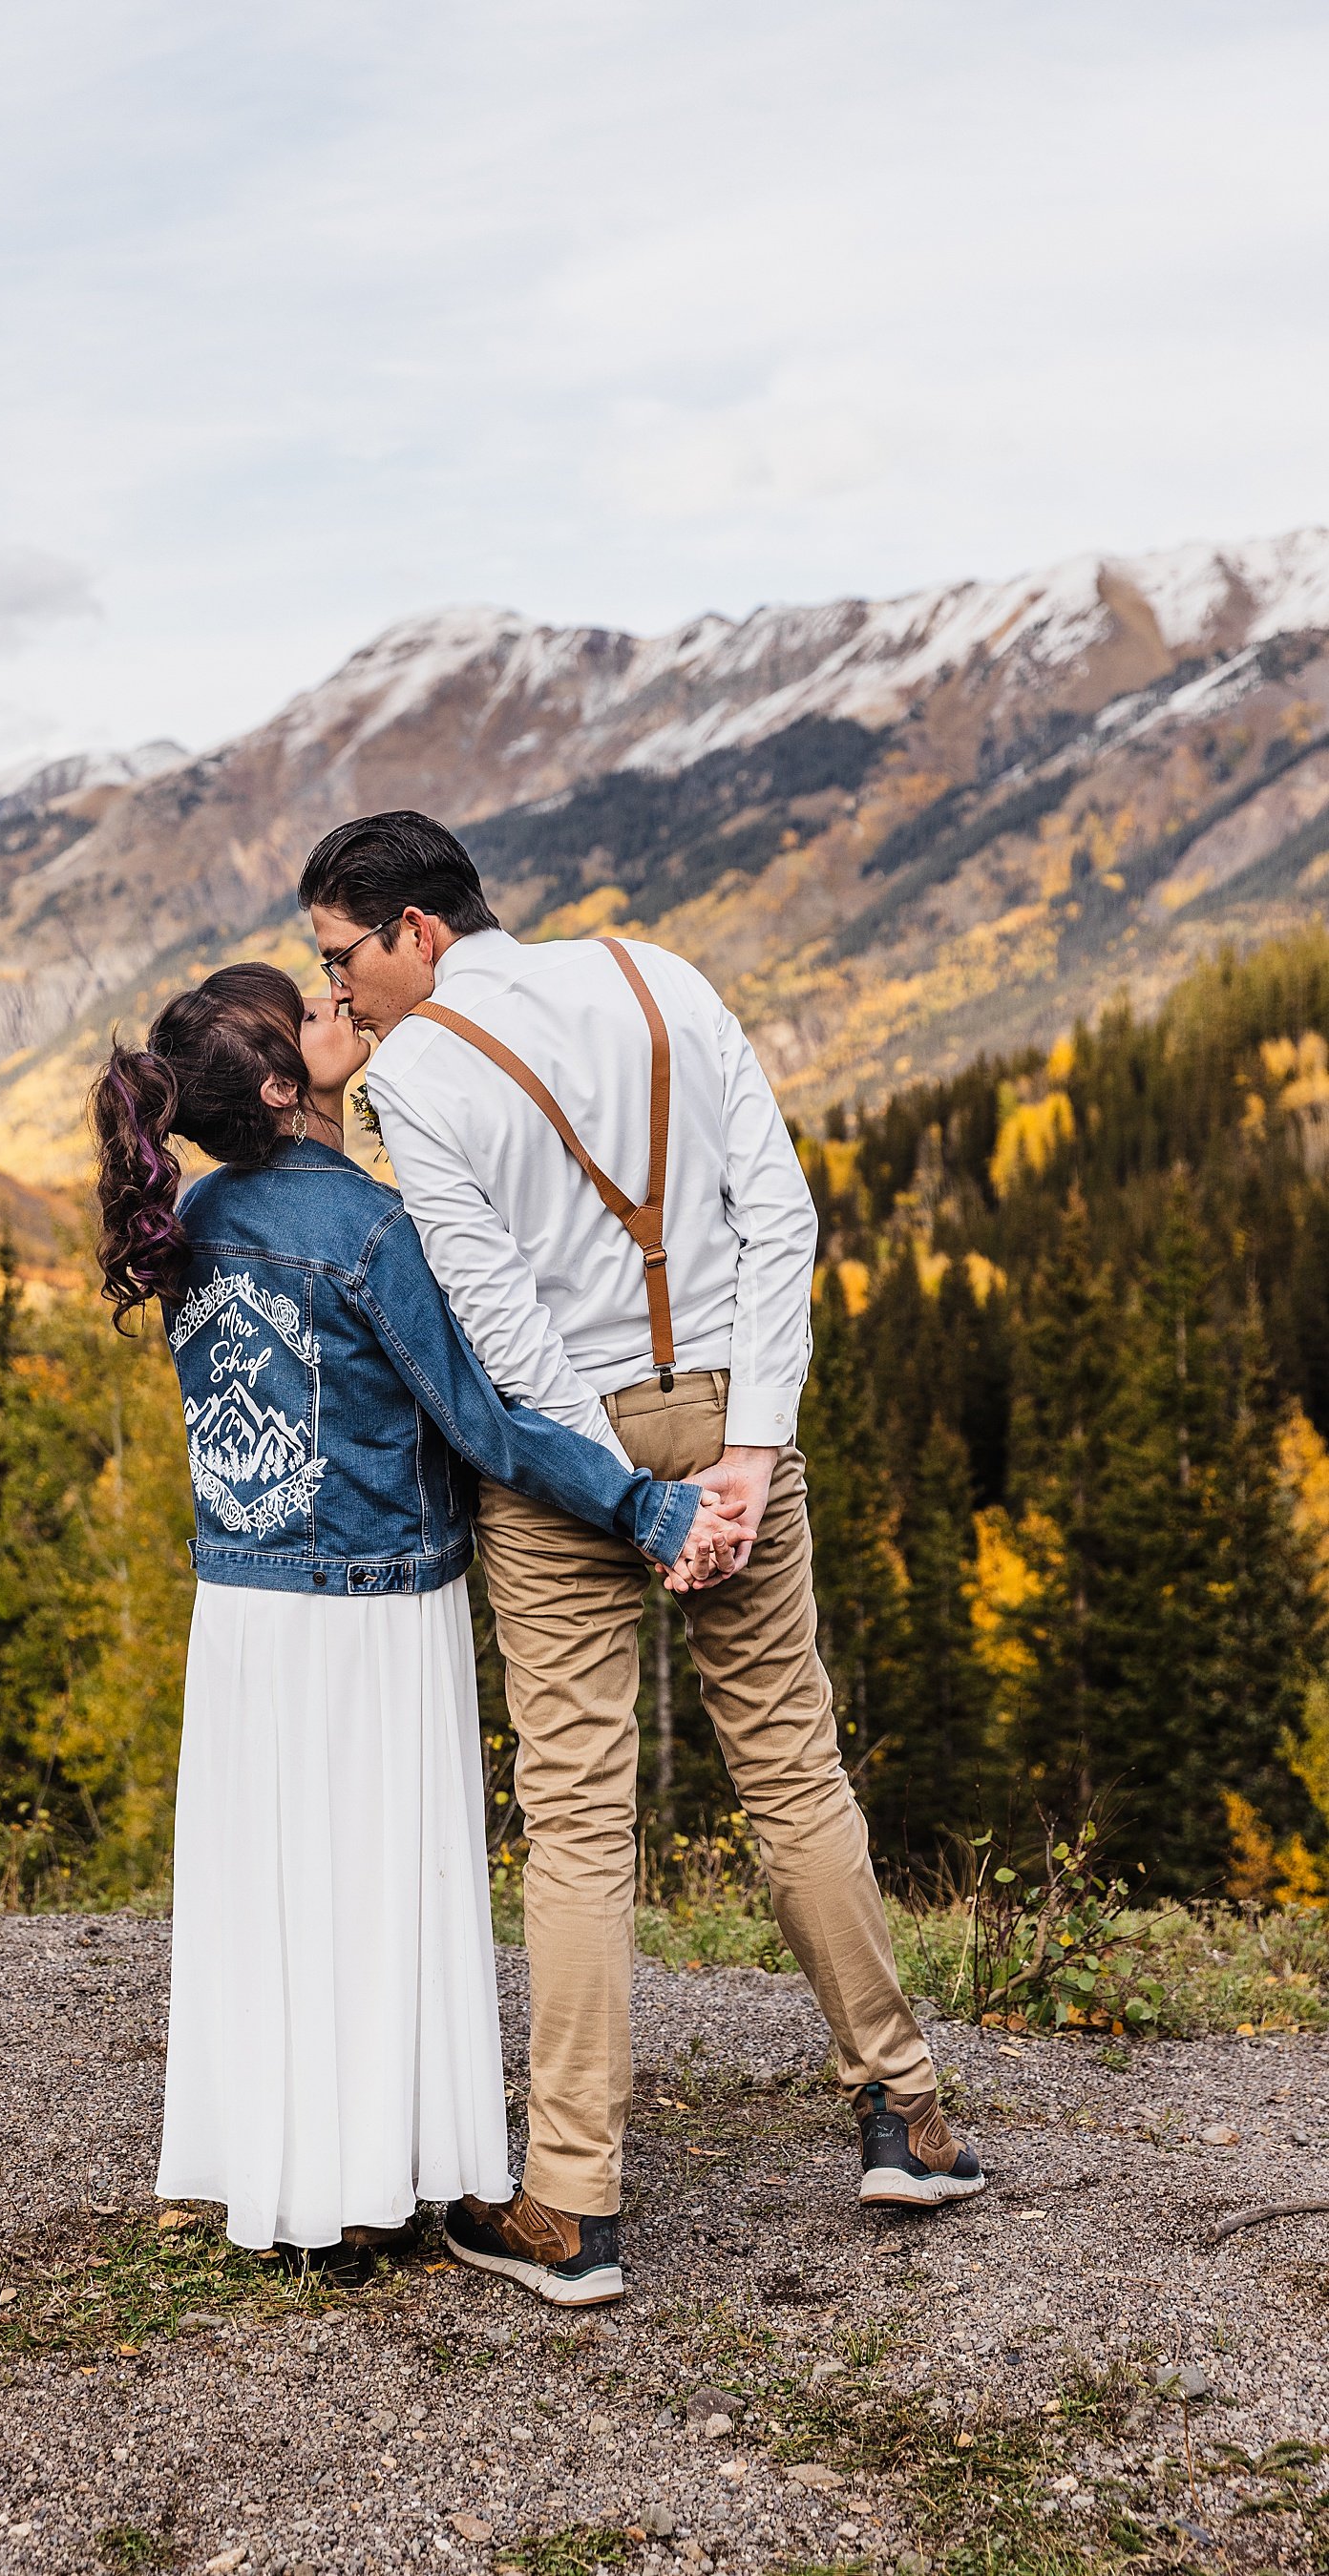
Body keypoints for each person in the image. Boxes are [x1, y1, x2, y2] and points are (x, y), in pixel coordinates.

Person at [298, 811, 984, 2306]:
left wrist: (621, 1497)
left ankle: (575, 2205)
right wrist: (744, 1453)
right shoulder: (663, 976)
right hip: (735, 1424)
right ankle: (909, 2119)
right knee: (795, 1769)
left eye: (341, 956)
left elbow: (500, 1322)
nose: (336, 995)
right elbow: (776, 1219)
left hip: (567, 1470)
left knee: (580, 1819)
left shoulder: (416, 1075)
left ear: (415, 929)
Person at [89, 962, 752, 2293]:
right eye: (310, 1012)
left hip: (244, 1607)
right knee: (380, 1885)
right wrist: (645, 1509)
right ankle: (380, 2177)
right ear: (286, 1085)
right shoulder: (375, 1232)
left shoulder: (190, 1220)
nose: (338, 1013)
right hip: (378, 1607)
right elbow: (489, 1425)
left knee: (276, 1892)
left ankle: (295, 2187)